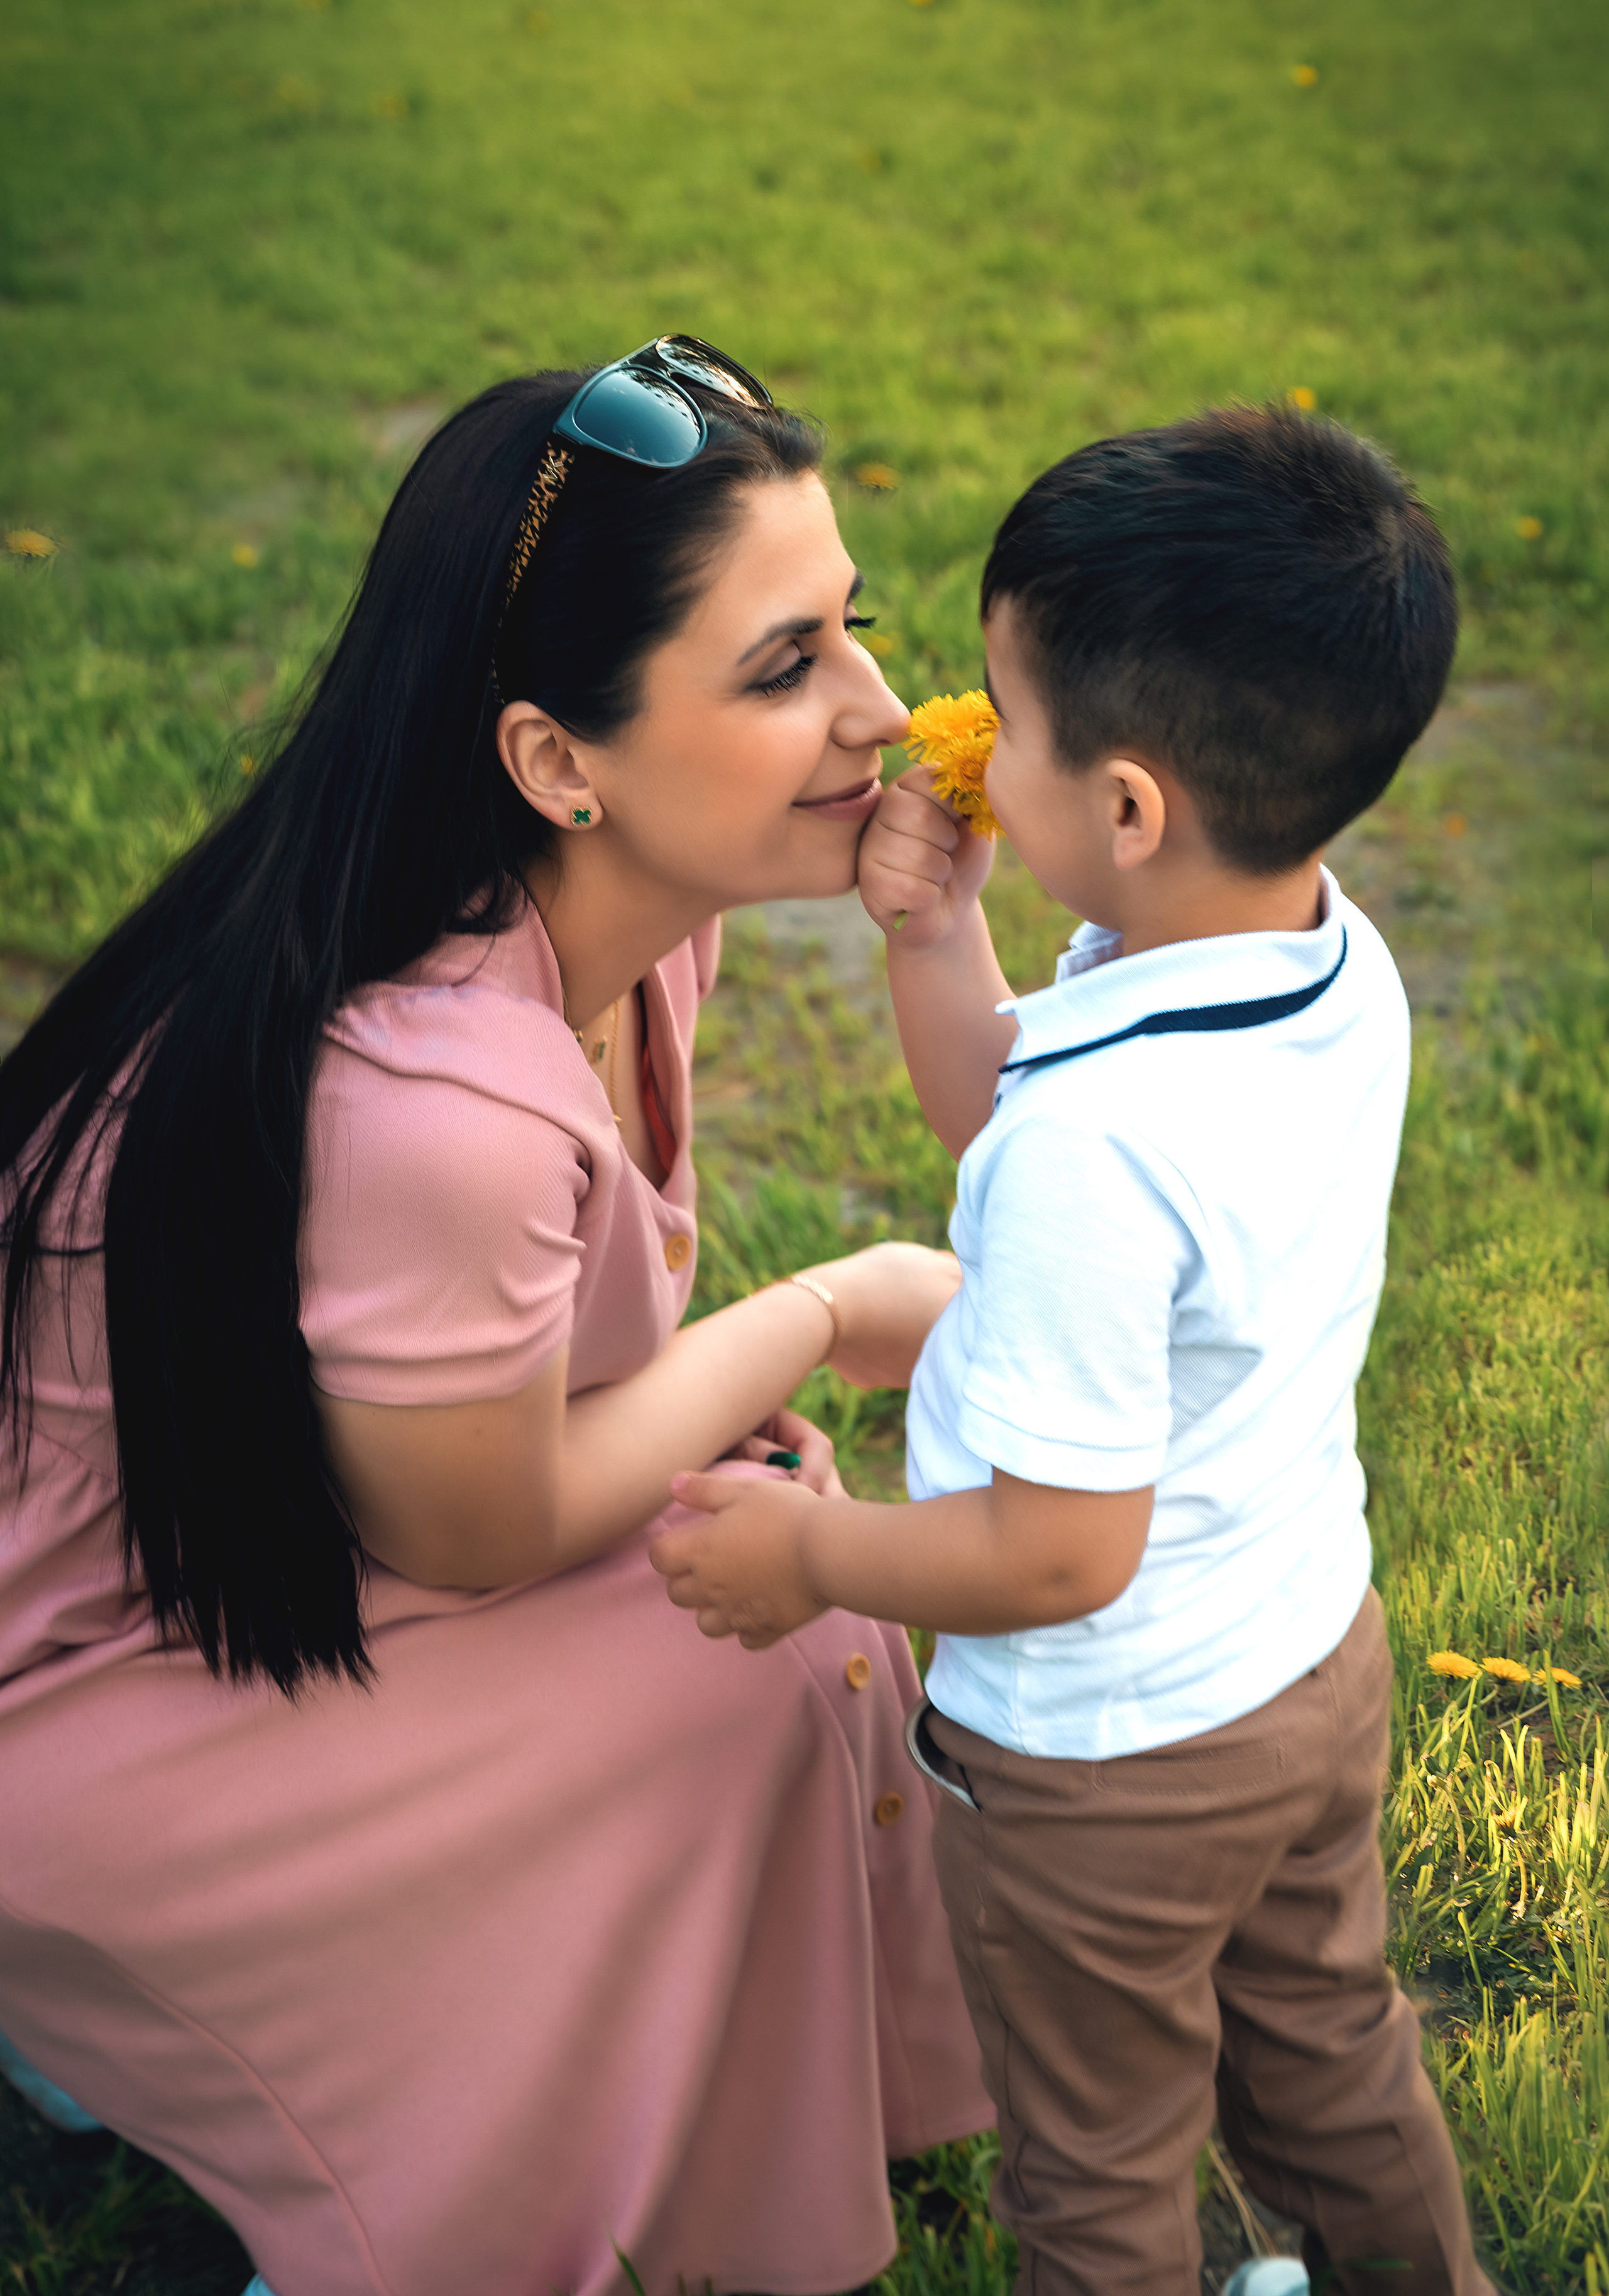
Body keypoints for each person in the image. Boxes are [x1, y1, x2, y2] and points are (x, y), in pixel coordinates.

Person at [0, 338, 988, 2296]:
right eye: (785, 667)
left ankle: (651, 2085)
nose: (883, 711)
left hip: (267, 1538)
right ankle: (388, 2154)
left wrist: (940, 935)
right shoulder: (438, 1100)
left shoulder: (634, 923)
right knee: (752, 1654)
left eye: (854, 629)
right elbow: (471, 1525)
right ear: (557, 760)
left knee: (797, 1579)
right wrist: (808, 1315)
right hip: (81, 1700)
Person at [652, 404, 1495, 2295]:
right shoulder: (1315, 958)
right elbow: (1014, 1124)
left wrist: (810, 1559)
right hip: (1304, 1657)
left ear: (1123, 811)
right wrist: (937, 938)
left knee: (1103, 2176)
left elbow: (1055, 1553)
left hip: (1112, 1764)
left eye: (1004, 720)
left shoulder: (1099, 1152)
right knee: (1335, 2059)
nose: (946, 735)